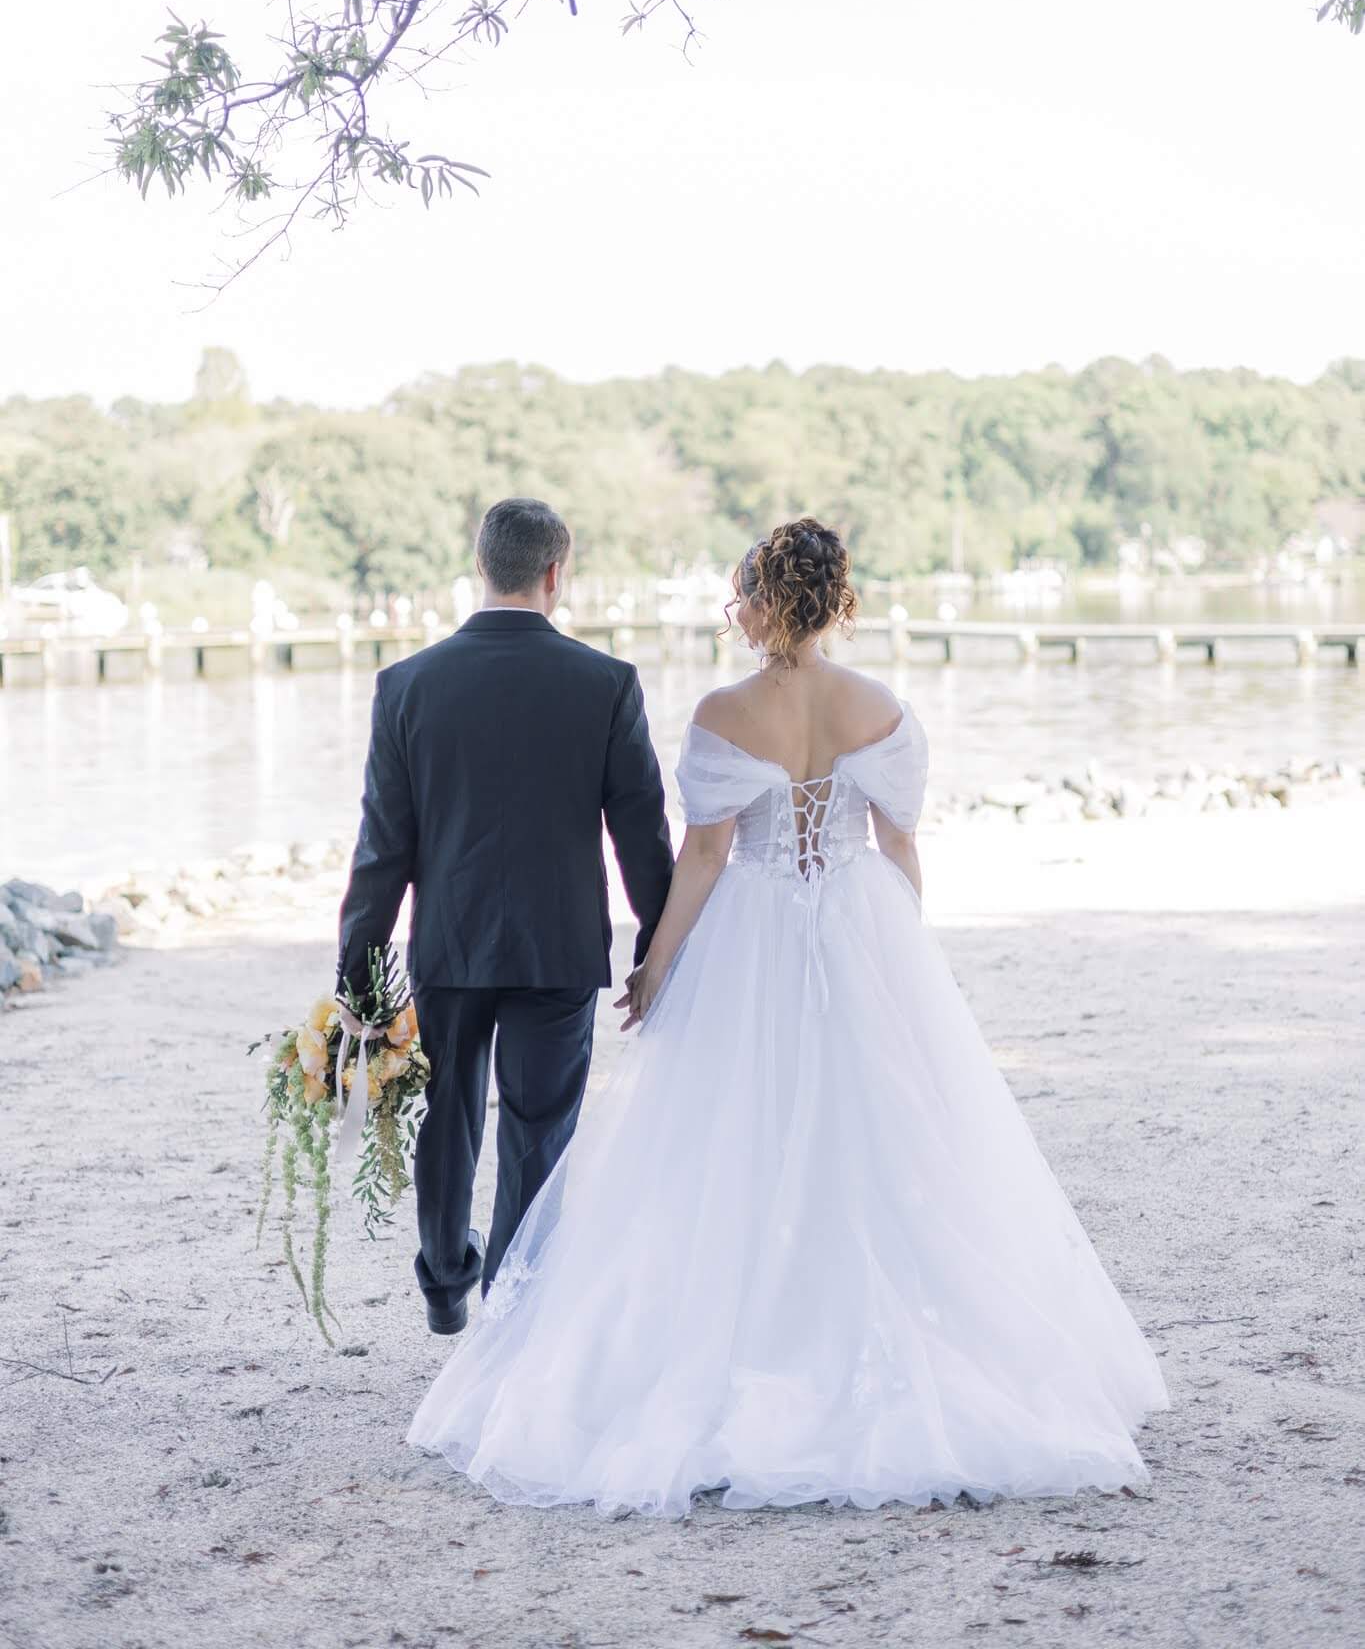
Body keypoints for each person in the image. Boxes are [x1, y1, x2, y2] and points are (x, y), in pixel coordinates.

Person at [407, 514, 1170, 1515]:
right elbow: (898, 844)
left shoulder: (727, 710)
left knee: (729, 1139)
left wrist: (656, 964)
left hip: (751, 937)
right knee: (882, 1140)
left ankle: (754, 1330)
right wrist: (905, 955)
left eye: (740, 593)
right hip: (861, 928)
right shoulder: (882, 706)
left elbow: (709, 856)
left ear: (762, 602)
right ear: (834, 600)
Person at [337, 497, 674, 1333]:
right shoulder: (605, 683)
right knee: (538, 1125)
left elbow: (383, 848)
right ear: (555, 573)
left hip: (448, 945)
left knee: (446, 1110)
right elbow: (640, 832)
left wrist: (358, 973)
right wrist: (662, 945)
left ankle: (445, 1279)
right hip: (557, 947)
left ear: (480, 563)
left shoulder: (405, 685)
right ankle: (516, 1303)